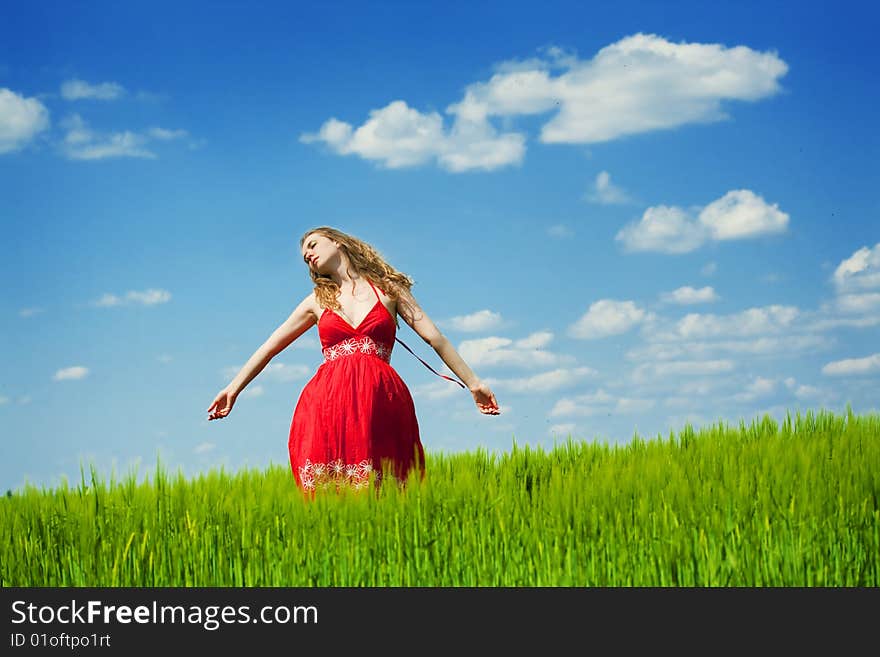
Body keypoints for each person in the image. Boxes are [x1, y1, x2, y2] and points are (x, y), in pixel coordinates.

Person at [206, 226, 500, 492]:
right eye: (304, 254)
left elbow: (435, 338)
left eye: (312, 244)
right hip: (327, 402)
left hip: (381, 399)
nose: (307, 255)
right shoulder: (316, 301)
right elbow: (269, 347)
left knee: (387, 490)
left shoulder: (389, 289)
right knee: (329, 496)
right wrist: (233, 388)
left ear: (336, 241)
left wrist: (474, 383)